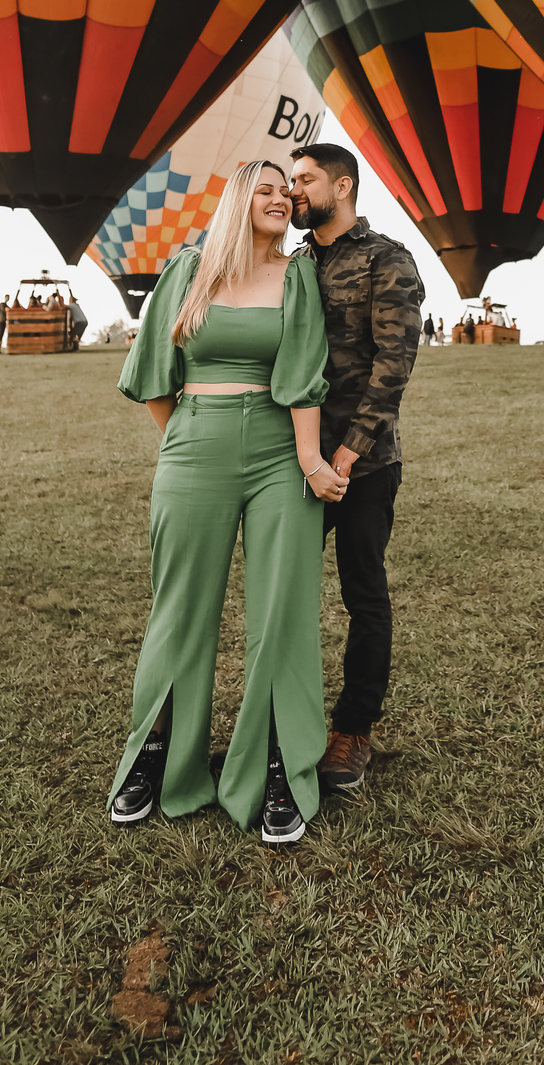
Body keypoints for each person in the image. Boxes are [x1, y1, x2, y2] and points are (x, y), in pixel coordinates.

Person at [107, 159, 343, 847]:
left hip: (279, 452)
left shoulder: (298, 274)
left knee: (282, 612)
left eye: (286, 190)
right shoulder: (189, 269)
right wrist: (188, 440)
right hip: (195, 448)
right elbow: (156, 373)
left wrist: (308, 459)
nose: (280, 198)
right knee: (180, 609)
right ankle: (155, 759)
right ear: (239, 200)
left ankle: (279, 768)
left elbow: (303, 369)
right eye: (264, 189)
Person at [288, 143, 423, 794]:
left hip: (363, 467)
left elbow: (394, 363)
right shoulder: (289, 266)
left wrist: (344, 454)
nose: (293, 190)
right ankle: (283, 718)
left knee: (363, 593)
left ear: (342, 186)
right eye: (290, 179)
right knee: (284, 594)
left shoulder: (385, 259)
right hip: (296, 463)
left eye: (305, 179)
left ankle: (353, 729)